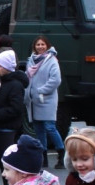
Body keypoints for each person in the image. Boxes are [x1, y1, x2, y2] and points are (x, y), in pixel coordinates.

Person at [0, 50, 28, 173]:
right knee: (3, 163)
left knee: (9, 163)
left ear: (7, 67)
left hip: (8, 128)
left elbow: (16, 108)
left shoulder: (16, 85)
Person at [25, 37, 66, 168]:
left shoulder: (52, 60)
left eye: (43, 44)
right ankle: (43, 158)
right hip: (34, 100)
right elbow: (27, 78)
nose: (40, 46)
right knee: (38, 129)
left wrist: (41, 91)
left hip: (47, 99)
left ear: (47, 46)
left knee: (50, 127)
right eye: (38, 44)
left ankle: (61, 154)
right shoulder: (30, 60)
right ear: (34, 46)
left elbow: (56, 80)